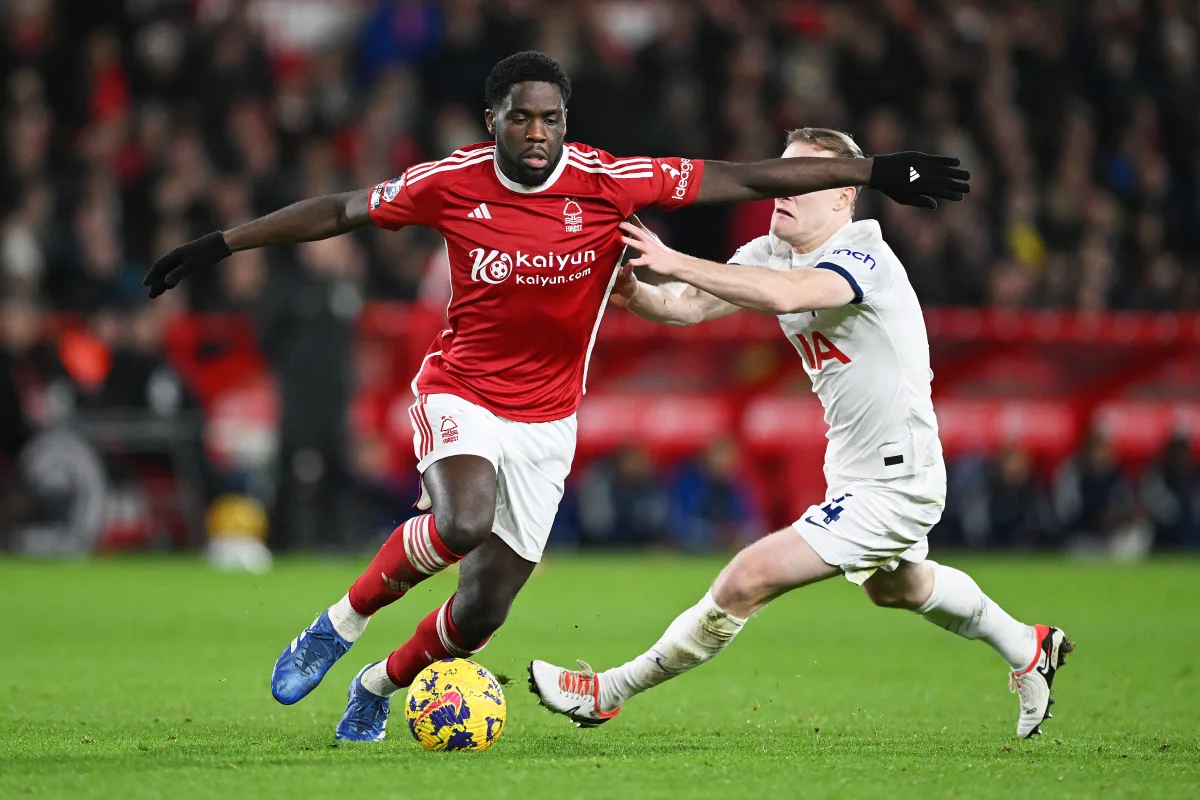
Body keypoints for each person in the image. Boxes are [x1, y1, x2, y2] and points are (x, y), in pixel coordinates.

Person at [143, 54, 969, 743]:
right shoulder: (453, 182)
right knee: (461, 521)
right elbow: (340, 211)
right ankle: (337, 625)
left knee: (482, 610)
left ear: (565, 122)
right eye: (520, 119)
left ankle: (377, 685)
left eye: (550, 120)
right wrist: (220, 243)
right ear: (493, 119)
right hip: (460, 388)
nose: (536, 135)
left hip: (548, 419)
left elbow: (743, 176)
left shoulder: (609, 183)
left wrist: (875, 170)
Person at [529, 127, 1069, 740]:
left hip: (900, 476)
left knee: (745, 579)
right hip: (854, 469)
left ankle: (606, 690)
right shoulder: (770, 252)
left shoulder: (865, 255)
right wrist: (636, 292)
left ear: (842, 196)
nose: (784, 189)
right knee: (899, 587)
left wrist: (677, 257)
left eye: (804, 179)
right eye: (781, 174)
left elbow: (789, 297)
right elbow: (685, 306)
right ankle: (1028, 645)